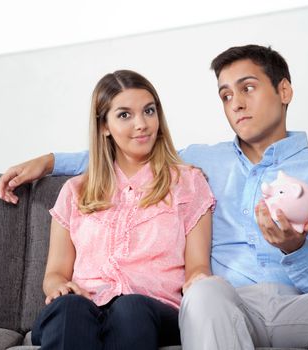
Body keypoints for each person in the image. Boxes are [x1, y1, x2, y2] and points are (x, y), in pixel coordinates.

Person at [0, 45, 308, 349]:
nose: (235, 102)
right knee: (201, 291)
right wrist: (49, 161)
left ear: (284, 90)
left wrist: (296, 247)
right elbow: (125, 155)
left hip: (301, 304)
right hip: (225, 302)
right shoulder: (202, 160)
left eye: (248, 88)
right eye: (225, 94)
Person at [28, 69, 214, 350]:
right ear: (104, 126)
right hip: (84, 307)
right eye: (125, 115)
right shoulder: (75, 191)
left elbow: (198, 266)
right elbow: (55, 273)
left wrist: (199, 283)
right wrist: (59, 287)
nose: (141, 124)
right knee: (69, 310)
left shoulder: (188, 183)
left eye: (149, 111)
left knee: (131, 309)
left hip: (152, 310)